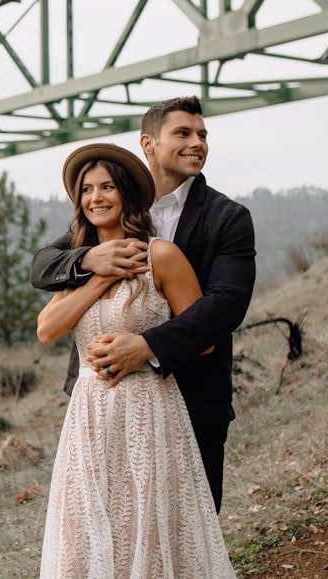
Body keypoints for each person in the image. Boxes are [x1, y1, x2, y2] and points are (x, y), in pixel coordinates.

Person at [31, 96, 256, 512]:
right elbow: (43, 266)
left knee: (187, 524)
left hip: (194, 396)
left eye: (202, 135)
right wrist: (88, 260)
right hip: (105, 400)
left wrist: (148, 346)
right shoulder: (112, 207)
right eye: (183, 133)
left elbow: (226, 305)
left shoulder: (228, 217)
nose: (197, 143)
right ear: (148, 144)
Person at [36, 142, 236, 577]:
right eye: (87, 190)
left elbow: (203, 339)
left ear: (126, 192)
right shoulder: (80, 263)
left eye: (107, 186)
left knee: (147, 519)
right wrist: (97, 275)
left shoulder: (160, 255)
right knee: (87, 523)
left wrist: (145, 348)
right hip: (89, 412)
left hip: (149, 405)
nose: (96, 198)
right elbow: (47, 329)